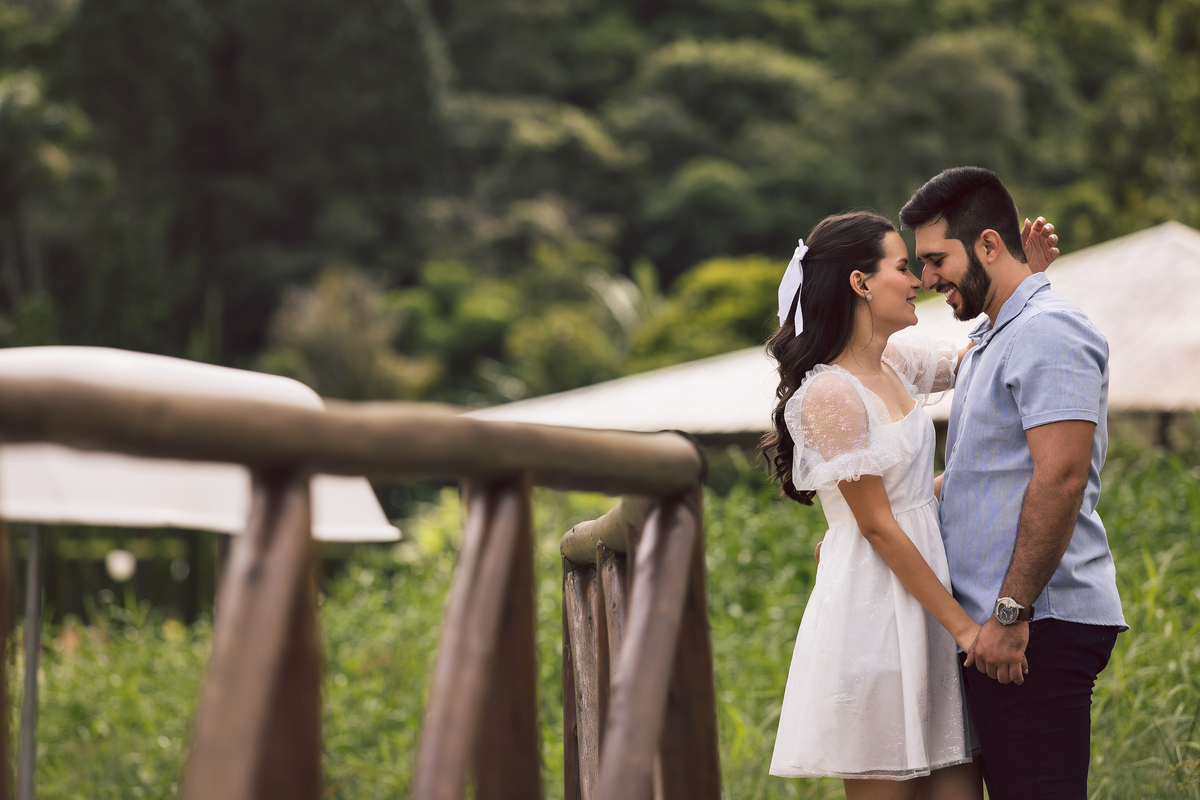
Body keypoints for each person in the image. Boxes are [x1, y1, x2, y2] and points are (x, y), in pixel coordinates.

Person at [762, 210, 1058, 799]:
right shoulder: (830, 393)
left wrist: (1024, 280)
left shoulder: (898, 362)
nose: (919, 279)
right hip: (877, 612)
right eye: (903, 267)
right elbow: (877, 527)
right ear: (860, 283)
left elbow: (986, 354)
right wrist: (969, 633)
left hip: (932, 602)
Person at [900, 166, 1126, 800]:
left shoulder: (1047, 329)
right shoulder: (996, 334)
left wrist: (1008, 613)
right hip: (1007, 626)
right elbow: (977, 476)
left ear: (989, 245)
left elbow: (1061, 477)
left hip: (1033, 625)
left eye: (937, 258)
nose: (927, 278)